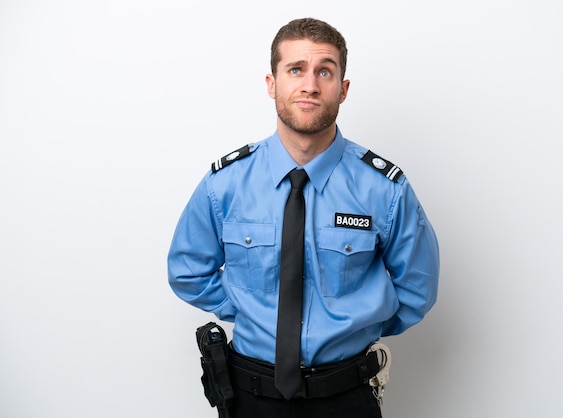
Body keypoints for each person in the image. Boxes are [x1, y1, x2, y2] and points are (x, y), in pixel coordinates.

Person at [168, 17, 439, 418]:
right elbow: (188, 270)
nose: (310, 84)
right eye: (295, 69)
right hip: (250, 396)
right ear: (271, 83)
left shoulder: (384, 189)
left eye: (324, 71)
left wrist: (354, 325)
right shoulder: (225, 184)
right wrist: (250, 312)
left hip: (346, 396)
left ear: (342, 89)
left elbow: (418, 289)